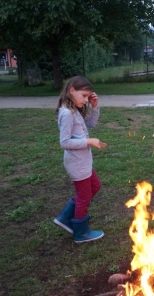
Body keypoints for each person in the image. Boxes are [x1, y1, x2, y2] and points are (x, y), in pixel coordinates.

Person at [53, 76, 104, 244]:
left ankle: (65, 217)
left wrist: (94, 108)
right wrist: (89, 141)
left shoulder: (74, 109)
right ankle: (81, 233)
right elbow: (64, 142)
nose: (86, 100)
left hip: (83, 161)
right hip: (76, 163)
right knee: (84, 196)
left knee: (94, 187)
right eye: (83, 96)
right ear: (71, 90)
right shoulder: (67, 113)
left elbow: (89, 125)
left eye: (88, 97)